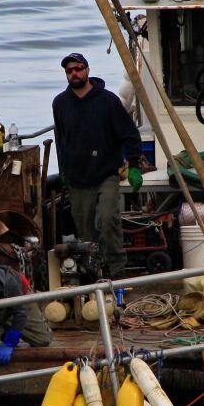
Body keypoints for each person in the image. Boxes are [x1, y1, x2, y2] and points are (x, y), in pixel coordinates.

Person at [51, 52, 143, 277]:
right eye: (69, 70)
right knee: (86, 235)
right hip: (77, 179)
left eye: (78, 68)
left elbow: (130, 134)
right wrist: (63, 171)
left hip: (106, 174)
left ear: (87, 70)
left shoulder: (108, 101)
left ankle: (117, 271)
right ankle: (94, 276)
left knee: (107, 220)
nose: (74, 73)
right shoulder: (60, 103)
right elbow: (61, 140)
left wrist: (134, 166)